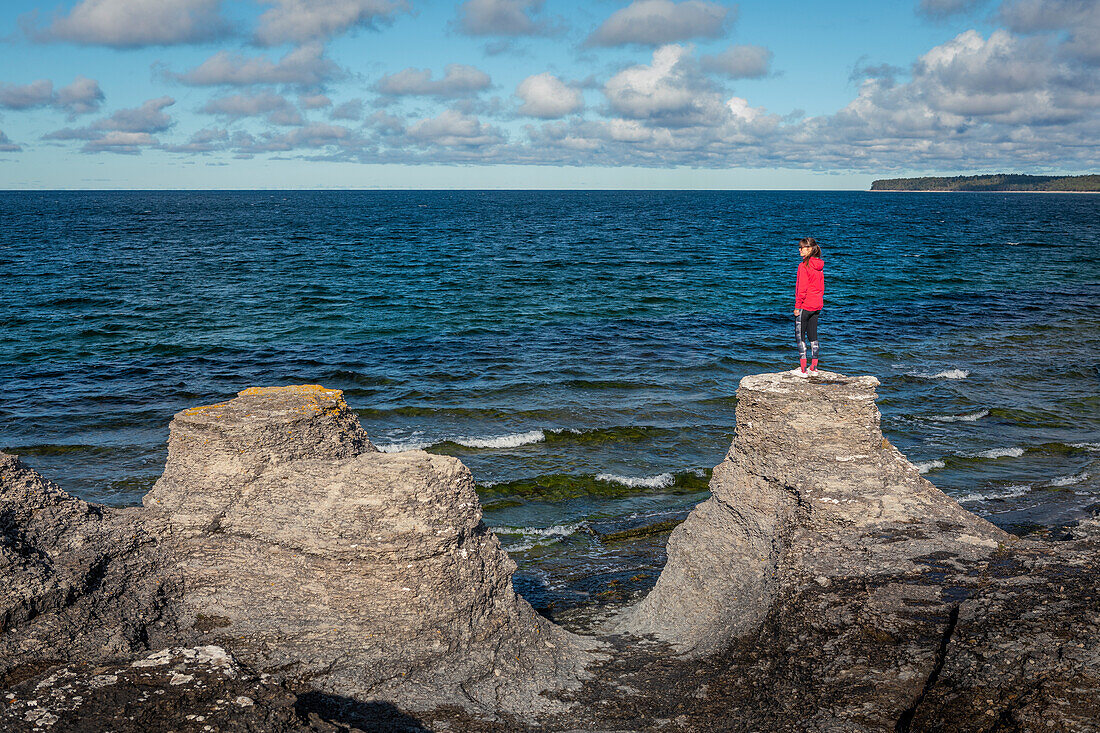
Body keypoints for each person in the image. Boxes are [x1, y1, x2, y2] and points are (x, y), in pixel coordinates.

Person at [793, 237, 824, 376]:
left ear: (810, 249)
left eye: (802, 247)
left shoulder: (803, 265)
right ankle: (814, 367)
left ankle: (803, 369)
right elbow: (821, 287)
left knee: (800, 336)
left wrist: (797, 306)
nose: (800, 250)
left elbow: (802, 289)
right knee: (813, 335)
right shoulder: (819, 265)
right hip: (817, 305)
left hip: (805, 306)